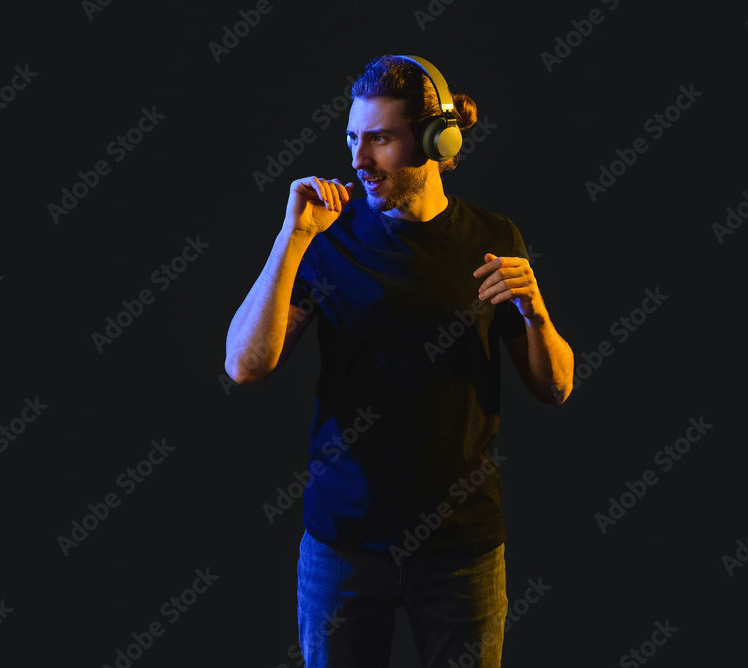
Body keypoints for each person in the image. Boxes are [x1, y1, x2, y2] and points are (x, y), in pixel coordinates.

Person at [225, 54, 574, 668]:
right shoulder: (326, 238)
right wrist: (292, 237)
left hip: (461, 549)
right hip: (342, 546)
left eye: (380, 139)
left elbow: (556, 389)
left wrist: (537, 314)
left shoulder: (492, 237)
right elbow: (246, 367)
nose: (359, 161)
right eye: (353, 139)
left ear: (437, 142)